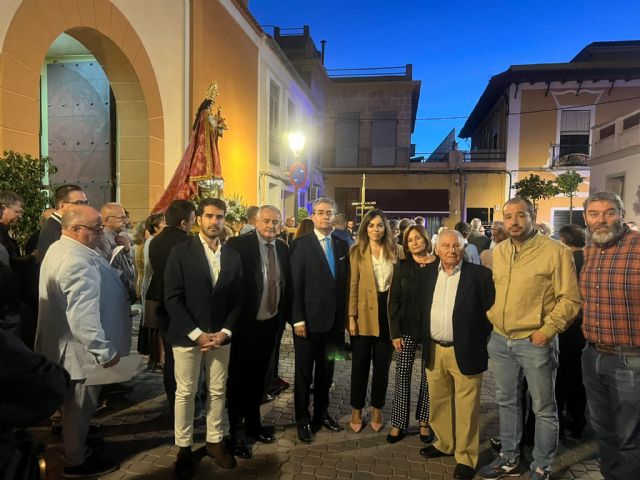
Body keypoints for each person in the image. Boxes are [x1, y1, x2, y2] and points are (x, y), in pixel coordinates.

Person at [478, 197, 580, 480]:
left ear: (532, 217)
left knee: (544, 408)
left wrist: (546, 331)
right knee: (507, 402)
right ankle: (508, 458)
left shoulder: (556, 252)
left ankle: (541, 465)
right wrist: (491, 319)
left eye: (520, 215)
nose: (514, 221)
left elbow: (570, 299)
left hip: (536, 342)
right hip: (500, 340)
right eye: (508, 216)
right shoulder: (498, 252)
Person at [35, 205, 131, 478]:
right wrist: (104, 351)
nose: (102, 233)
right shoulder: (76, 260)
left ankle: (78, 447)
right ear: (74, 229)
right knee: (78, 408)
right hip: (79, 352)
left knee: (74, 408)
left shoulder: (61, 248)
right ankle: (76, 461)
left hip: (67, 347)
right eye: (96, 228)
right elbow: (82, 317)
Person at [164, 198, 243, 477]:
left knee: (218, 391)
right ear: (199, 219)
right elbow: (172, 298)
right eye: (209, 216)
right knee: (185, 393)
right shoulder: (180, 252)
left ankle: (214, 441)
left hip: (221, 338)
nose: (214, 222)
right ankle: (183, 447)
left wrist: (225, 332)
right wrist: (197, 334)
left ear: (225, 220)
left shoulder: (232, 256)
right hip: (188, 337)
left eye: (219, 217)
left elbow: (238, 300)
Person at [417, 230, 495, 480]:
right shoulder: (427, 274)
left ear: (464, 248)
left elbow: (489, 315)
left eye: (456, 246)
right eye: (446, 245)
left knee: (467, 407)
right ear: (436, 248)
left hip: (466, 350)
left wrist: (478, 341)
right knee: (438, 401)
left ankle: (466, 457)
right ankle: (444, 443)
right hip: (435, 348)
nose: (451, 250)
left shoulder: (480, 275)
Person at [580, 192, 640, 480]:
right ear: (585, 218)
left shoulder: (638, 247)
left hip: (631, 359)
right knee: (602, 429)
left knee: (630, 436)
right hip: (593, 355)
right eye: (594, 213)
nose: (601, 219)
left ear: (621, 213)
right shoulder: (590, 250)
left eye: (609, 212)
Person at [225, 205, 292, 458]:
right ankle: (237, 431)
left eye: (276, 222)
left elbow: (285, 285)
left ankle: (254, 425)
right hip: (243, 325)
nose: (271, 226)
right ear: (255, 221)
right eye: (266, 221)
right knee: (238, 381)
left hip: (270, 324)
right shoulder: (238, 245)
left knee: (258, 380)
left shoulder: (283, 248)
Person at [290, 197, 349, 443]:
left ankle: (321, 414)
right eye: (321, 212)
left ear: (335, 216)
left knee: (327, 371)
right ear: (314, 216)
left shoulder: (341, 244)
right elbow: (295, 285)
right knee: (304, 374)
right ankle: (302, 420)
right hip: (308, 324)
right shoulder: (301, 245)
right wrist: (297, 320)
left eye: (329, 213)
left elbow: (344, 285)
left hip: (334, 326)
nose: (325, 216)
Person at [348, 209, 397, 433]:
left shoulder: (396, 250)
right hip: (363, 315)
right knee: (359, 367)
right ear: (364, 228)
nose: (375, 229)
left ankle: (378, 408)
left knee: (382, 369)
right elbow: (353, 286)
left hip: (387, 316)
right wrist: (351, 317)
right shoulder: (357, 251)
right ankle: (356, 409)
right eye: (371, 225)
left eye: (379, 225)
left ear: (385, 227)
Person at [387, 224, 436, 444]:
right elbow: (393, 301)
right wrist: (395, 332)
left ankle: (425, 421)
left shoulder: (439, 266)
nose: (414, 242)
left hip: (431, 330)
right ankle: (399, 422)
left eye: (418, 238)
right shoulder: (402, 266)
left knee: (429, 377)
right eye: (410, 240)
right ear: (406, 245)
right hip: (406, 329)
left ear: (426, 239)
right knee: (402, 374)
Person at [147, 200, 196, 418]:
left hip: (161, 305)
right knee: (187, 358)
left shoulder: (156, 242)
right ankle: (186, 405)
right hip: (184, 307)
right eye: (193, 221)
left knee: (170, 358)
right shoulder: (188, 244)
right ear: (184, 222)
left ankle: (172, 401)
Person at [556, 224, 586, 439]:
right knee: (577, 377)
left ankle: (557, 424)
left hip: (564, 326)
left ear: (563, 240)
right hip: (582, 328)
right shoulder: (591, 260)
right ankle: (578, 422)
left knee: (558, 377)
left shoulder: (564, 261)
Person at [37, 184, 89, 258]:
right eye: (78, 203)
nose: (84, 207)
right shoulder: (53, 229)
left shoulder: (61, 225)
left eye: (86, 203)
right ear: (62, 205)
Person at [97, 202, 135, 298]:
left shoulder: (121, 237)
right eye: (121, 218)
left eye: (125, 217)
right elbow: (111, 270)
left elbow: (130, 267)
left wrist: (127, 250)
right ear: (106, 221)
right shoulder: (101, 240)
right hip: (114, 294)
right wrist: (130, 289)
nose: (126, 221)